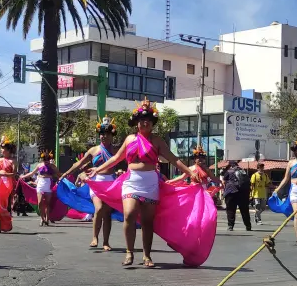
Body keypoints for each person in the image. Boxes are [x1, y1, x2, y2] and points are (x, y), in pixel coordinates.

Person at [86, 98, 194, 267]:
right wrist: (97, 170)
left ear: (152, 123)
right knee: (129, 214)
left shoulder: (157, 141)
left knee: (147, 221)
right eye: (142, 120)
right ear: (136, 123)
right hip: (131, 181)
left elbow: (173, 159)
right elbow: (116, 158)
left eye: (149, 121)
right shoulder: (129, 139)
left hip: (150, 182)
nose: (145, 123)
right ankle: (129, 253)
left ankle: (147, 255)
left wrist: (189, 172)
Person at [61, 117, 119, 249]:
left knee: (107, 213)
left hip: (111, 183)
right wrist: (66, 173)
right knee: (99, 209)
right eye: (102, 134)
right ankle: (95, 237)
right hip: (96, 182)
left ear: (112, 135)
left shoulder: (116, 150)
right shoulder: (93, 150)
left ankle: (106, 242)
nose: (104, 136)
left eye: (107, 134)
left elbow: (131, 158)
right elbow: (79, 163)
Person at [22, 151, 62, 227]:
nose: (46, 161)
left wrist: (65, 177)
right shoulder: (39, 165)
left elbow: (59, 174)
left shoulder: (52, 166)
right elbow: (31, 173)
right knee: (40, 202)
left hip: (48, 184)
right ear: (42, 159)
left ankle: (47, 219)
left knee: (47, 203)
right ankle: (42, 218)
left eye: (47, 159)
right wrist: (23, 177)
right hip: (40, 184)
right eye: (44, 159)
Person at [223, 160, 252, 232]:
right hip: (243, 193)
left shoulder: (229, 171)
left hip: (231, 192)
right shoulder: (243, 171)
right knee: (244, 210)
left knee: (230, 209)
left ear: (230, 165)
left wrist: (225, 190)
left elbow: (224, 181)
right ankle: (248, 226)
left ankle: (230, 226)